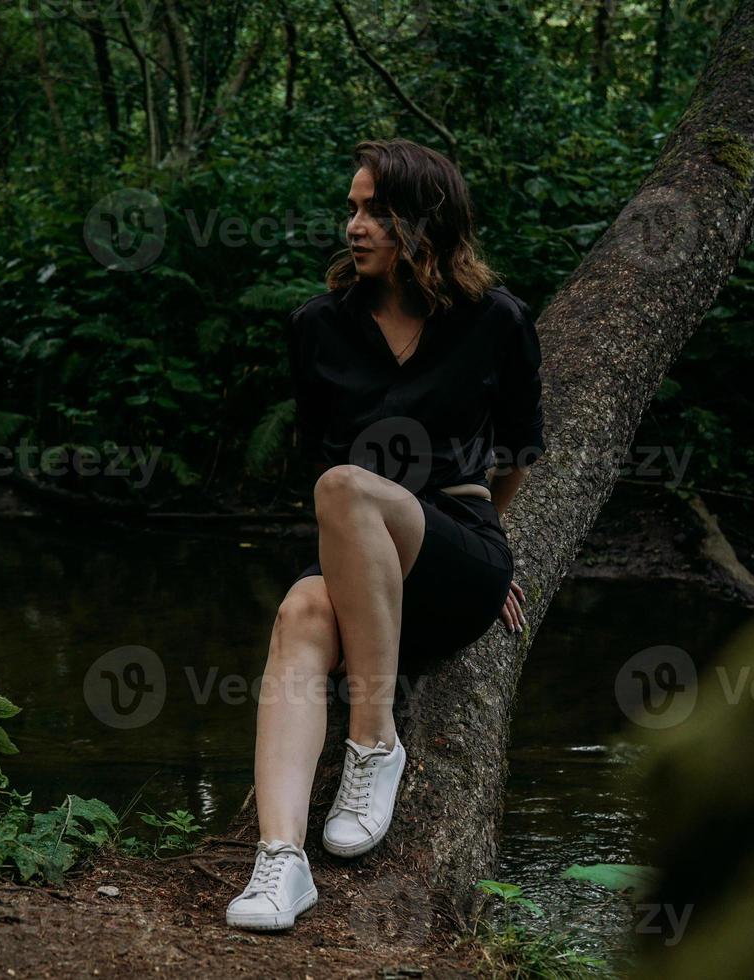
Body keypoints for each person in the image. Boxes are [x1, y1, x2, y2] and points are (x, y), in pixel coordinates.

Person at [224, 138, 547, 931]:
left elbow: (520, 453)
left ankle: (374, 745)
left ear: (424, 220)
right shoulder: (318, 326)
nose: (355, 225)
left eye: (375, 210)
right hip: (355, 558)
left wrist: (481, 551)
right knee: (301, 611)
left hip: (455, 549)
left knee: (345, 487)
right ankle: (281, 863)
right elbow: (323, 452)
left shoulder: (497, 320)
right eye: (353, 208)